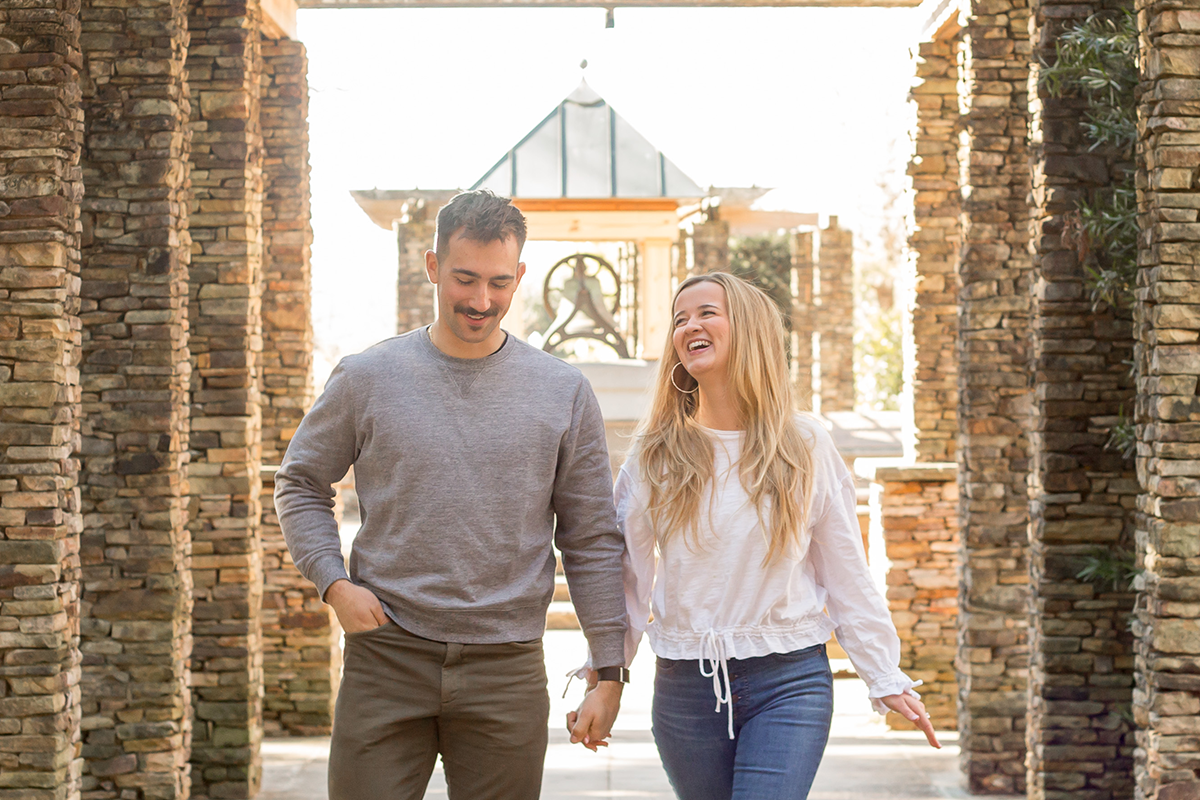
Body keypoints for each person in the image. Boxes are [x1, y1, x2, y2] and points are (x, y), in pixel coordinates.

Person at [275, 190, 629, 800]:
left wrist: (610, 670)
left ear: (520, 277)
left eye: (498, 282)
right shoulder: (367, 378)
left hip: (507, 666)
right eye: (465, 278)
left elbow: (591, 535)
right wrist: (334, 583)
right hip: (386, 654)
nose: (481, 301)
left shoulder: (562, 391)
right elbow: (301, 482)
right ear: (433, 265)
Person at [574, 271, 939, 800]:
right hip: (685, 690)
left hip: (789, 682)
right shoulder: (656, 452)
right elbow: (629, 576)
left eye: (705, 312)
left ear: (747, 328)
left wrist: (883, 673)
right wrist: (606, 678)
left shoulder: (804, 444)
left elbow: (845, 571)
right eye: (679, 319)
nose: (689, 326)